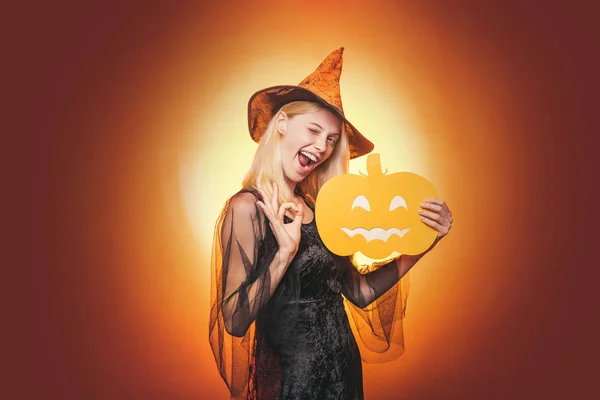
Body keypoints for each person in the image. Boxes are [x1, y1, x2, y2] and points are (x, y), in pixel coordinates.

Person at [209, 47, 453, 400]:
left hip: (343, 375)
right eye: (313, 130)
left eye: (331, 140)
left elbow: (358, 292)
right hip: (293, 385)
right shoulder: (248, 207)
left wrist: (424, 242)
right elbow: (233, 320)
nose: (321, 147)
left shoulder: (321, 208)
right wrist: (285, 253)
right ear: (281, 124)